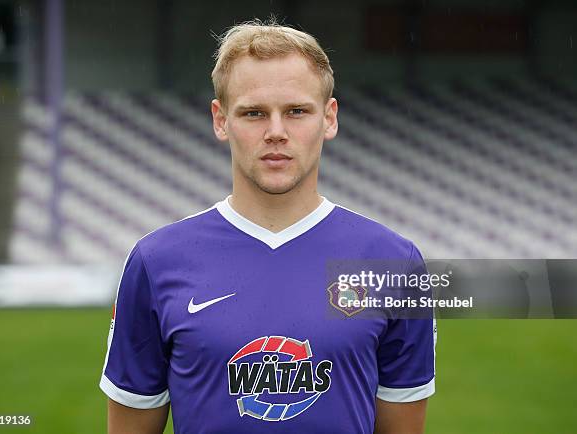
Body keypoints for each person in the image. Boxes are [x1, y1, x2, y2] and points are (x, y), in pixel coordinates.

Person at [100, 17, 435, 434]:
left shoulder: (395, 263)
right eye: (254, 113)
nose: (276, 132)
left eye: (296, 111)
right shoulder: (155, 262)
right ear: (221, 120)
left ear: (329, 118)